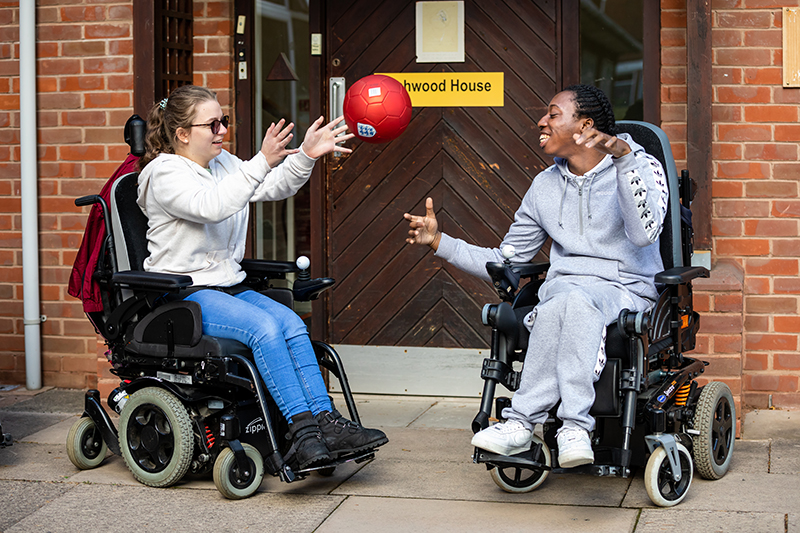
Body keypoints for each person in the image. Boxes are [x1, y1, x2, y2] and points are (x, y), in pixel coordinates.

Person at [404, 85, 668, 468]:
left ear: (585, 125)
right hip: (565, 293)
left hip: (625, 289)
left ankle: (555, 423)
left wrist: (623, 159)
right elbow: (505, 259)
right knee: (558, 300)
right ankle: (546, 426)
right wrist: (439, 241)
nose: (541, 122)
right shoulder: (545, 185)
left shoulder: (639, 164)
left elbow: (645, 234)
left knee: (569, 301)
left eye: (553, 113)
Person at [137, 85, 388, 470]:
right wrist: (261, 161)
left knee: (289, 323)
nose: (222, 130)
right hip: (183, 292)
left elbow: (272, 185)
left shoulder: (221, 164)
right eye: (212, 124)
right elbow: (213, 206)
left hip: (226, 285)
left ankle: (326, 422)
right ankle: (302, 434)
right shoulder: (164, 173)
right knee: (264, 328)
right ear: (183, 133)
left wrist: (305, 155)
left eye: (224, 121)